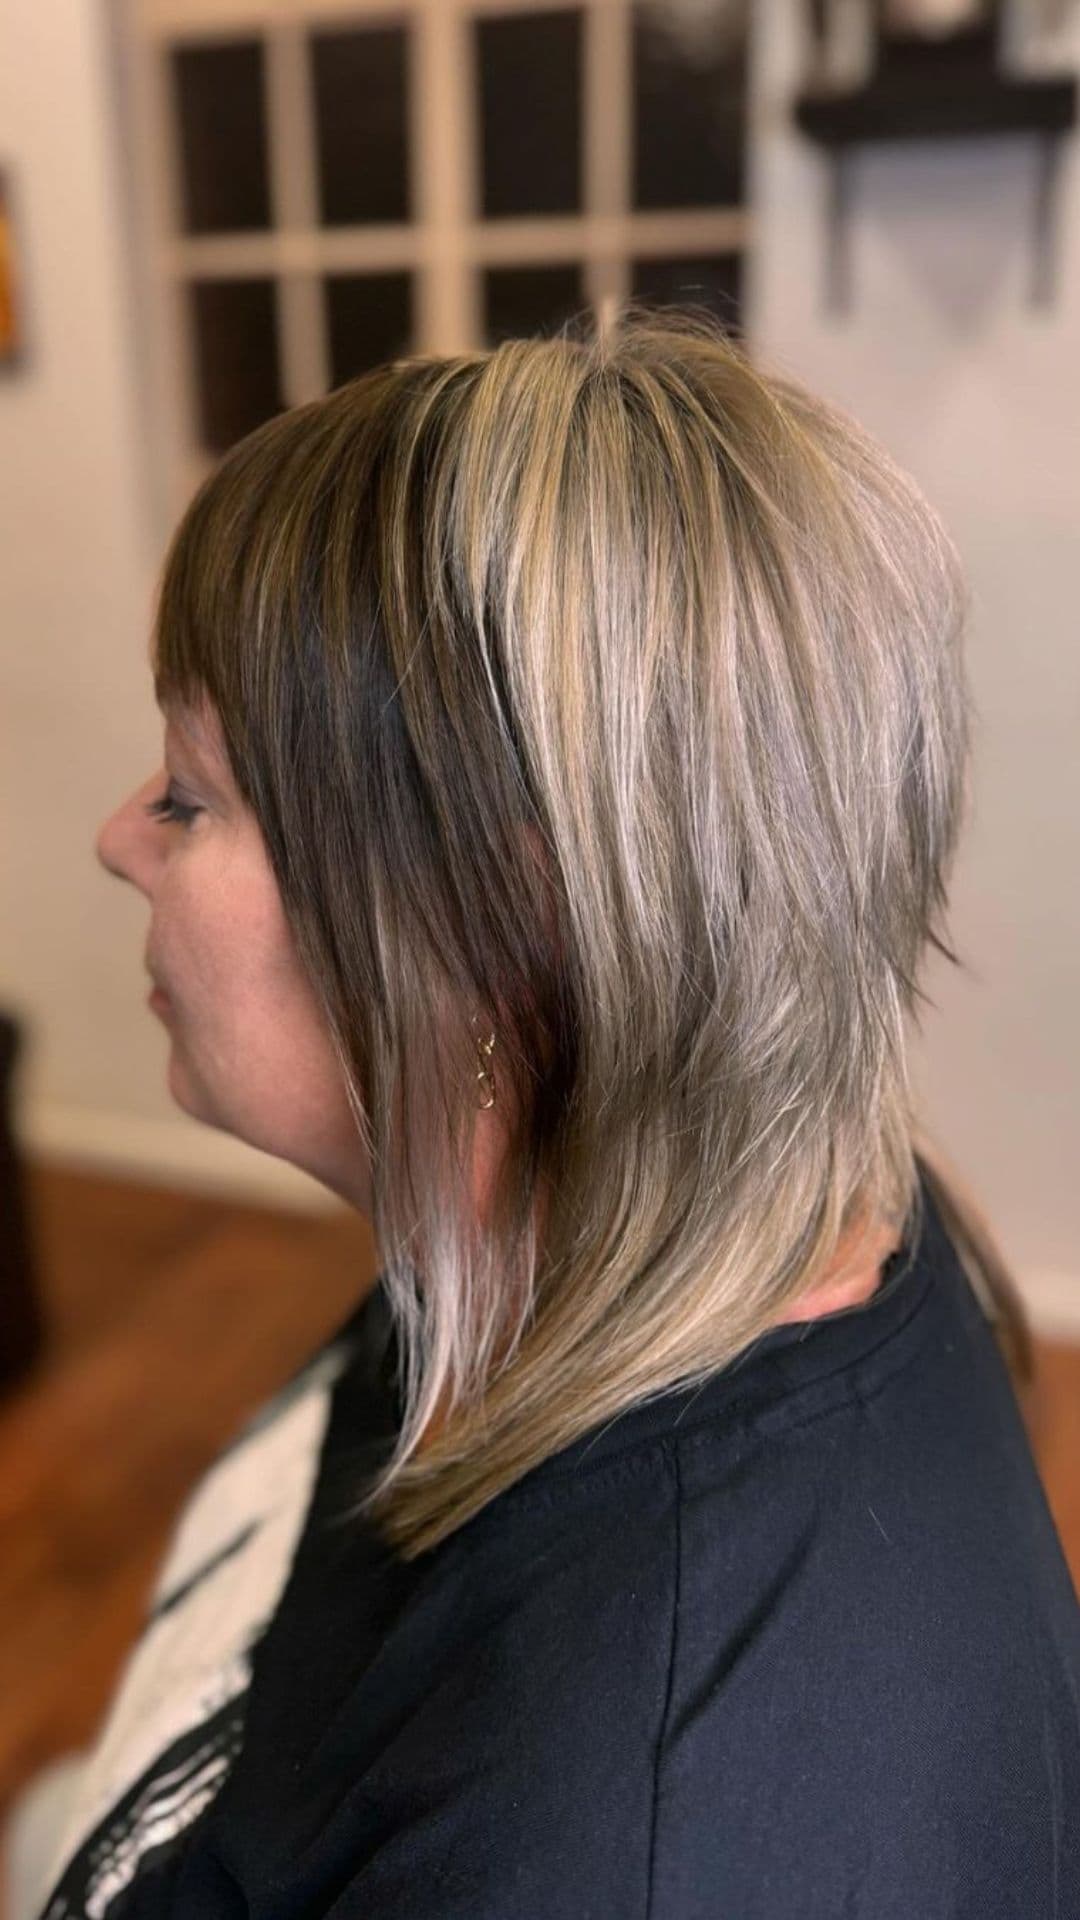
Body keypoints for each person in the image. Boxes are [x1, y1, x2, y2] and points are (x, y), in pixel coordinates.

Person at [17, 307, 1080, 1917]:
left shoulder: (618, 1845)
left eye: (190, 793)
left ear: (488, 931)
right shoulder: (688, 1207)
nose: (119, 838)